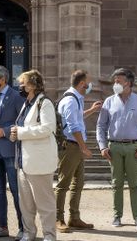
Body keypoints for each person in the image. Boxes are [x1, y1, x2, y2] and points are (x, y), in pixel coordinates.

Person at [96, 68, 137, 229]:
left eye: (118, 81)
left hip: (133, 148)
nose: (115, 84)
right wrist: (102, 146)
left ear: (128, 83)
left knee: (134, 184)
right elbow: (101, 125)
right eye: (115, 81)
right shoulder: (109, 101)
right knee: (116, 184)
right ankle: (117, 216)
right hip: (114, 147)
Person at [10, 70, 58, 241]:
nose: (20, 86)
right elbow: (23, 127)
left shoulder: (44, 103)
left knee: (45, 203)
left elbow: (48, 128)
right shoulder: (26, 104)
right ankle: (29, 233)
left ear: (32, 85)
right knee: (26, 204)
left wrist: (21, 132)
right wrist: (15, 133)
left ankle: (49, 236)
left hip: (39, 161)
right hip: (23, 161)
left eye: (23, 83)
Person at [55, 69, 103, 233]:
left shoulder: (75, 98)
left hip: (74, 146)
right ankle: (58, 219)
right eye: (89, 82)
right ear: (82, 84)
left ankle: (74, 218)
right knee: (64, 184)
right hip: (70, 146)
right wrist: (83, 147)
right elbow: (72, 126)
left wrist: (91, 110)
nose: (90, 85)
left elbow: (76, 118)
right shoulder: (71, 100)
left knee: (78, 183)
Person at [0, 65, 26, 240]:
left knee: (16, 190)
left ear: (3, 79)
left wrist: (6, 131)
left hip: (9, 149)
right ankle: (2, 226)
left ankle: (23, 227)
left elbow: (23, 122)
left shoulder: (17, 97)